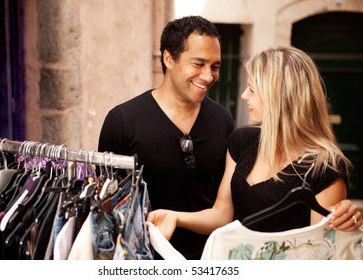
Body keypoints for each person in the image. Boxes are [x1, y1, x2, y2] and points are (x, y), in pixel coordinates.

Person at [147, 46, 362, 246]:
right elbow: (222, 215)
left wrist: (345, 223)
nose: (243, 95)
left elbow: (317, 252)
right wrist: (175, 216)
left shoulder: (324, 169)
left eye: (251, 89)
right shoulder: (243, 142)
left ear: (277, 96)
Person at [97, 16, 235, 259]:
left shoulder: (223, 120)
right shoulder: (122, 121)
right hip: (143, 259)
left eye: (214, 66)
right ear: (169, 58)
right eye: (198, 63)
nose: (208, 75)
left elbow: (225, 208)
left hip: (210, 259)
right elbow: (107, 209)